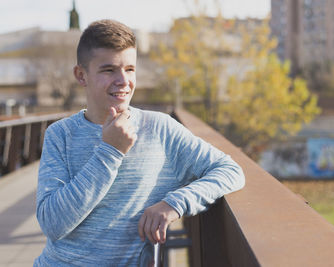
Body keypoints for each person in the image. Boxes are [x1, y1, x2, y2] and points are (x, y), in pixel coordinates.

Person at [34, 19, 245, 266]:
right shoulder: (60, 134)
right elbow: (52, 224)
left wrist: (173, 204)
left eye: (130, 69)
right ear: (81, 75)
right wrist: (110, 152)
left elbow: (230, 171)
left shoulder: (160, 128)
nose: (123, 80)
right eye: (109, 70)